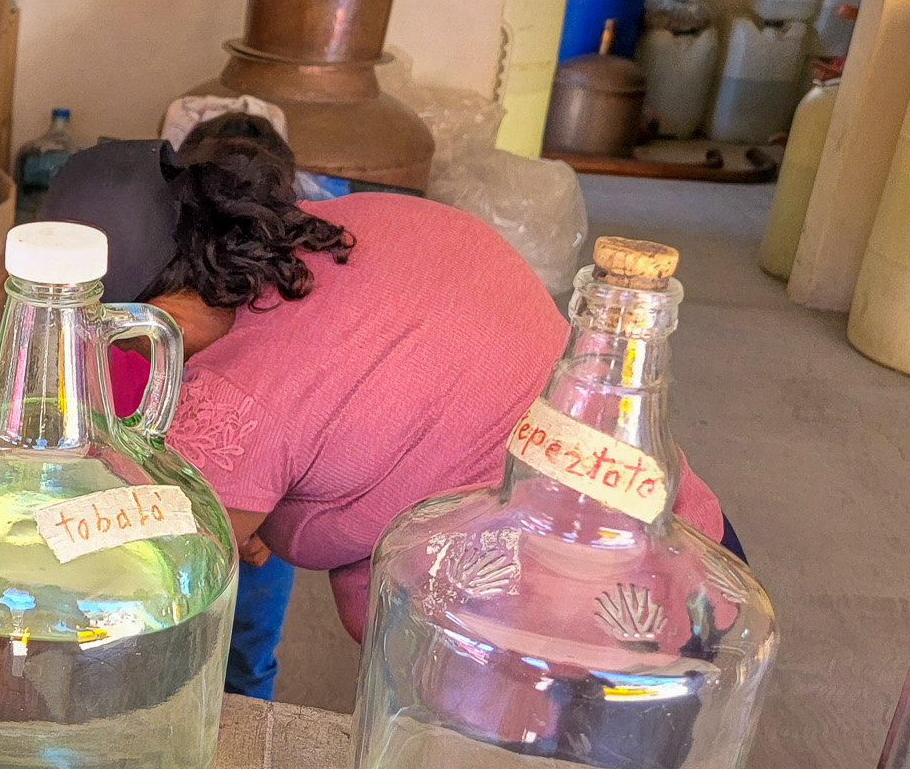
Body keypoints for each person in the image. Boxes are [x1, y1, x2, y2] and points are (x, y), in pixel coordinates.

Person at [40, 114, 732, 696]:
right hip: (692, 546)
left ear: (157, 308)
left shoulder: (240, 393)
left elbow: (140, 587)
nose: (132, 356)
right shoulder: (362, 221)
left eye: (123, 336)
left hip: (568, 659)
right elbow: (352, 401)